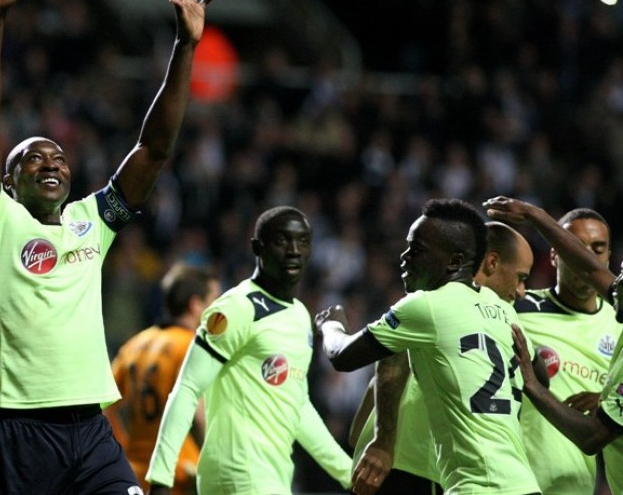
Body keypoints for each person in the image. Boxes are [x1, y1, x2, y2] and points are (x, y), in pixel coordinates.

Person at [0, 0, 217, 493]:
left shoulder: (90, 221)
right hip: (18, 430)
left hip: (91, 431)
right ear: (8, 181)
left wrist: (185, 49)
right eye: (33, 157)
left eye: (59, 157)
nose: (51, 162)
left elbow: (153, 150)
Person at [315, 198, 541, 495]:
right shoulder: (507, 315)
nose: (405, 256)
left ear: (455, 261)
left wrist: (331, 325)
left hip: (472, 485)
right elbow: (539, 381)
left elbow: (342, 356)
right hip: (523, 483)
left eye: (417, 249)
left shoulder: (426, 306)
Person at [145, 206, 352, 494]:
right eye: (282, 241)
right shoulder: (238, 307)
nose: (294, 251)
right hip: (239, 472)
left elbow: (298, 406)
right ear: (258, 247)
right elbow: (188, 387)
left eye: (303, 242)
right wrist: (160, 478)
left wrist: (349, 473)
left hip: (271, 477)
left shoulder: (300, 315)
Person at [484, 197, 623, 494]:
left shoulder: (617, 321)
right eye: (575, 248)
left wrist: (607, 400)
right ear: (554, 256)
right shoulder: (518, 308)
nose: (585, 258)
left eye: (597, 250)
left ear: (608, 256)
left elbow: (596, 435)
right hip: (513, 477)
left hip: (577, 484)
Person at [105, 263, 221, 495]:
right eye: (214, 301)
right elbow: (198, 416)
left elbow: (104, 407)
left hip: (135, 472)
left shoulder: (134, 345)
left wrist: (121, 449)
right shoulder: (192, 347)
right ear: (196, 304)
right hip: (179, 474)